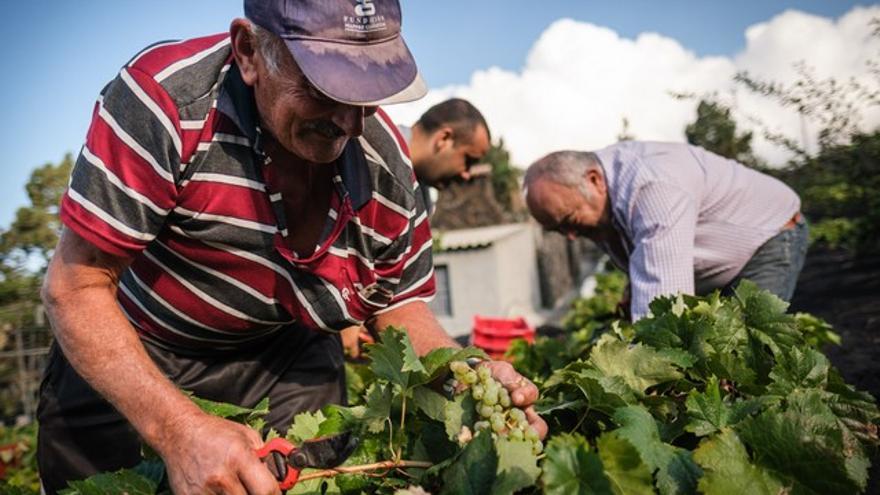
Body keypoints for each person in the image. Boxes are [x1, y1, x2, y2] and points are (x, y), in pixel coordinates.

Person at [37, 1, 546, 493]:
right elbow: (76, 286)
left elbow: (400, 306)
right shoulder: (169, 104)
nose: (350, 123)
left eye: (366, 92)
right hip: (136, 345)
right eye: (325, 88)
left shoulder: (384, 169)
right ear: (249, 51)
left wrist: (469, 376)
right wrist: (177, 429)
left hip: (282, 356)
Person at [523, 141, 808, 321]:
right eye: (559, 230)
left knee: (745, 354)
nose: (570, 235)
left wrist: (642, 377)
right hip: (722, 259)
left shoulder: (653, 185)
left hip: (769, 237)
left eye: (569, 220)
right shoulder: (603, 194)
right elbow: (644, 249)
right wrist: (633, 288)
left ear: (594, 180)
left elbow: (665, 306)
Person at [340, 98, 491, 357]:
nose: (467, 174)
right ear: (444, 139)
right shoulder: (368, 153)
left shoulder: (422, 197)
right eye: (468, 159)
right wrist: (345, 323)